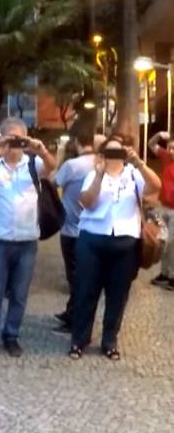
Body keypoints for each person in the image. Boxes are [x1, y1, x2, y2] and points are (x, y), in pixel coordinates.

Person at [70, 136, 162, 360]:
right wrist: (100, 173)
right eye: (109, 153)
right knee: (85, 291)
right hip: (92, 239)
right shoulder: (93, 174)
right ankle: (79, 339)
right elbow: (87, 202)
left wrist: (139, 162)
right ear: (101, 156)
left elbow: (155, 186)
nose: (114, 158)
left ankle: (109, 340)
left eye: (118, 153)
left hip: (125, 243)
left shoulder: (134, 175)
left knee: (118, 295)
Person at [0, 118, 56, 363]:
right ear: (1, 137)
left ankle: (11, 335)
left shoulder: (33, 163)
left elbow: (52, 167)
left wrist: (41, 149)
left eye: (20, 138)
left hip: (27, 238)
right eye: (10, 137)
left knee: (19, 293)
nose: (15, 143)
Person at [51, 127, 97, 333]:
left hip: (71, 229)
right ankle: (71, 311)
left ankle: (75, 319)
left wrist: (59, 156)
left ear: (77, 142)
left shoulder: (72, 165)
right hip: (92, 229)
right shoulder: (100, 164)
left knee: (75, 277)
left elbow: (54, 181)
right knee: (84, 275)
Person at [148, 131, 174, 290]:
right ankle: (165, 273)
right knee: (164, 241)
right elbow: (151, 144)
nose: (171, 151)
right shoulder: (166, 158)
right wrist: (158, 135)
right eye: (170, 148)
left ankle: (172, 275)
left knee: (172, 244)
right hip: (164, 207)